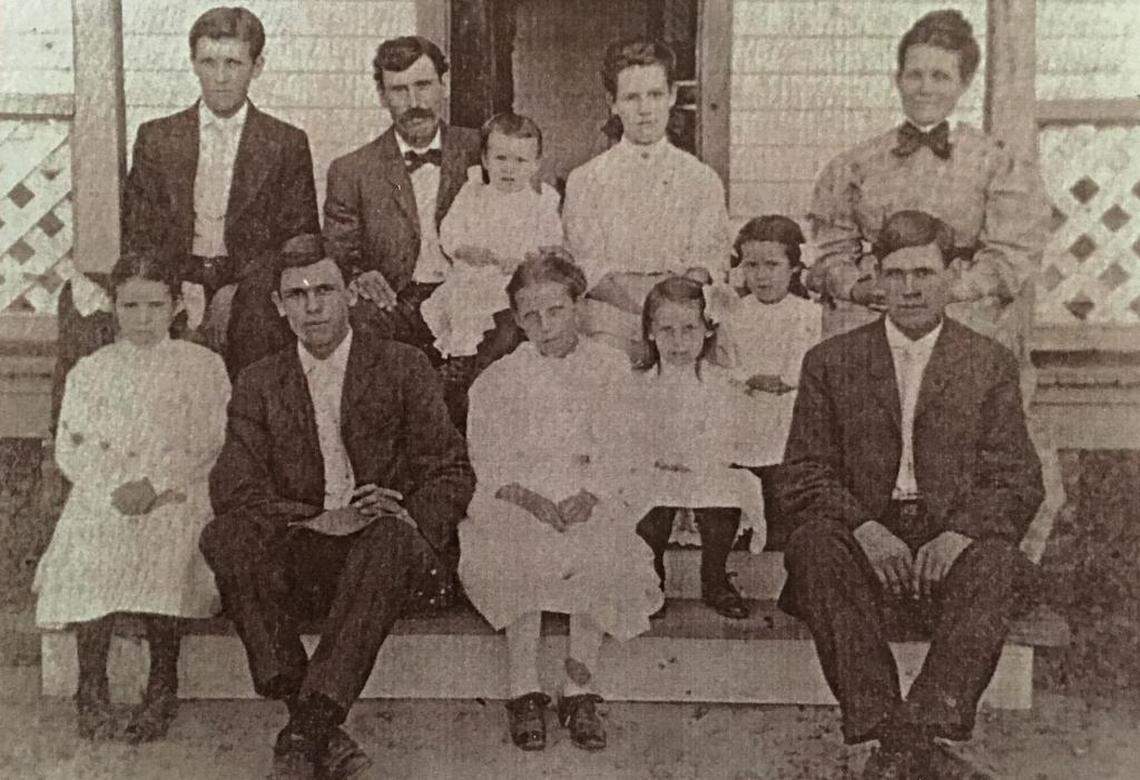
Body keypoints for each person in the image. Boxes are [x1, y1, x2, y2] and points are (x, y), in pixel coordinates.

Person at [778, 210, 1044, 779]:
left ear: (953, 274)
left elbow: (1016, 479)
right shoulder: (831, 361)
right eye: (896, 273)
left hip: (948, 540)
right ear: (876, 275)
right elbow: (803, 473)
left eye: (925, 271)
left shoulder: (986, 362)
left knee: (996, 563)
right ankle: (886, 729)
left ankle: (914, 736)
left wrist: (959, 534)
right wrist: (865, 530)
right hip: (864, 540)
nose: (911, 287)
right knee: (815, 549)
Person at [202, 238, 474, 779]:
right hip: (307, 551)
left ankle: (307, 728)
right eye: (296, 295)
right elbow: (235, 486)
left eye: (324, 289)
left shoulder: (402, 365)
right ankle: (313, 722)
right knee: (225, 536)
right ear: (279, 307)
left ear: (349, 294)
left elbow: (450, 471)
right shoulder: (259, 381)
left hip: (388, 561)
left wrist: (402, 511)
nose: (312, 306)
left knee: (392, 539)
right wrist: (313, 519)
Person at [806, 8, 1062, 563]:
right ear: (898, 78)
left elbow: (1012, 256)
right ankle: (869, 550)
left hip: (962, 314)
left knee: (979, 398)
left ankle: (978, 557)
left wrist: (947, 290)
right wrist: (859, 287)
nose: (925, 88)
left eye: (941, 76)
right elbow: (830, 249)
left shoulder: (996, 163)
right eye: (915, 74)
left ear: (964, 84)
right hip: (881, 311)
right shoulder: (857, 163)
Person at [459, 251, 662, 753]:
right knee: (512, 538)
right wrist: (528, 498)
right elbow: (489, 461)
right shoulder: (499, 380)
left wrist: (592, 494)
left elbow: (626, 446)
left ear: (578, 307)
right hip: (520, 498)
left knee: (599, 538)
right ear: (517, 318)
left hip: (589, 492)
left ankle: (580, 687)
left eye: (556, 311)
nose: (544, 326)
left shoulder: (610, 367)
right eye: (530, 316)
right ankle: (523, 686)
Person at [35, 252, 230, 742]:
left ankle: (162, 683)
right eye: (131, 306)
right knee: (90, 532)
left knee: (167, 533)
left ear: (176, 306)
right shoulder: (91, 370)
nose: (143, 319)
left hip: (177, 488)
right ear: (114, 308)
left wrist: (158, 484)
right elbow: (72, 444)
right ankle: (92, 685)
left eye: (154, 305)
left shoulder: (202, 367)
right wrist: (111, 488)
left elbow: (211, 439)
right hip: (109, 490)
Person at [123, 6, 320, 376]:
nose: (220, 78)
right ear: (193, 63)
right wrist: (178, 285)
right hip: (176, 274)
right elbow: (139, 230)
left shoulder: (285, 142)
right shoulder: (157, 138)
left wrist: (239, 289)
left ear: (256, 66)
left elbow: (301, 239)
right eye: (208, 62)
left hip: (251, 283)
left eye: (233, 63)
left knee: (257, 328)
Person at [563, 37, 731, 360]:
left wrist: (669, 314)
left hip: (682, 322)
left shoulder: (701, 179)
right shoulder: (585, 180)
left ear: (672, 95)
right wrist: (648, 310)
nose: (644, 110)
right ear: (613, 102)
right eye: (631, 97)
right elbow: (589, 268)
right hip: (611, 322)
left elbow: (707, 261)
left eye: (655, 95)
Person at [322, 36, 481, 364]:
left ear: (444, 85)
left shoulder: (484, 152)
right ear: (382, 96)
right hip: (396, 301)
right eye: (399, 90)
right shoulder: (351, 170)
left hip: (472, 295)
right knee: (357, 325)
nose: (414, 101)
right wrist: (358, 274)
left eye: (423, 85)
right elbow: (340, 251)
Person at [628, 277, 765, 620]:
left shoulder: (720, 382)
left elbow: (728, 435)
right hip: (656, 469)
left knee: (726, 492)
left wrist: (700, 461)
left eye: (688, 329)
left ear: (706, 330)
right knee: (647, 494)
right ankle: (651, 576)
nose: (678, 342)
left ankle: (715, 577)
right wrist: (659, 461)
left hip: (703, 468)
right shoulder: (638, 384)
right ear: (650, 332)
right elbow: (631, 437)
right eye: (667, 330)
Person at [421, 112, 563, 391]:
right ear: (485, 160)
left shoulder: (540, 204)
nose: (509, 168)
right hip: (474, 278)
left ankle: (482, 372)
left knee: (506, 322)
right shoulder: (473, 194)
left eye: (520, 160)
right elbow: (450, 231)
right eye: (501, 159)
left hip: (515, 283)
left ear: (535, 164)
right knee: (463, 302)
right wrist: (465, 249)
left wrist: (528, 259)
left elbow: (552, 244)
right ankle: (462, 357)